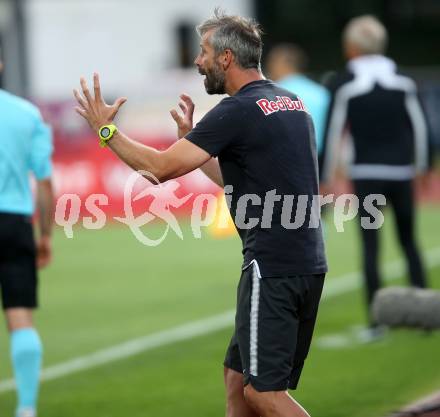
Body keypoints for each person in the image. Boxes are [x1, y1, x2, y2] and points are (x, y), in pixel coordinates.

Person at [74, 9, 327, 417]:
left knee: (264, 394)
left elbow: (157, 170)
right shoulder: (287, 101)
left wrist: (107, 131)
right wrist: (195, 146)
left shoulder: (237, 110)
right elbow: (241, 181)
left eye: (204, 52)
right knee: (235, 375)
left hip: (273, 267)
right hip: (303, 262)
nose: (197, 61)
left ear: (226, 58)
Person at [320, 15, 430, 333]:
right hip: (401, 173)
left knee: (371, 247)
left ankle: (378, 321)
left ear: (352, 48)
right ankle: (425, 320)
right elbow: (421, 128)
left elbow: (333, 132)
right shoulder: (403, 81)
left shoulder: (345, 85)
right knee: (409, 242)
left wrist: (327, 175)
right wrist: (422, 166)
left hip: (367, 176)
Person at [0, 59, 54, 417]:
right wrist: (45, 234)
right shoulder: (26, 114)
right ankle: (26, 408)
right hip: (14, 222)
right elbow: (45, 183)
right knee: (20, 317)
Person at [266, 44, 330, 155]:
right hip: (319, 158)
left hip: (284, 159)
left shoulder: (270, 93)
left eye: (272, 62)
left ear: (282, 65)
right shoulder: (322, 93)